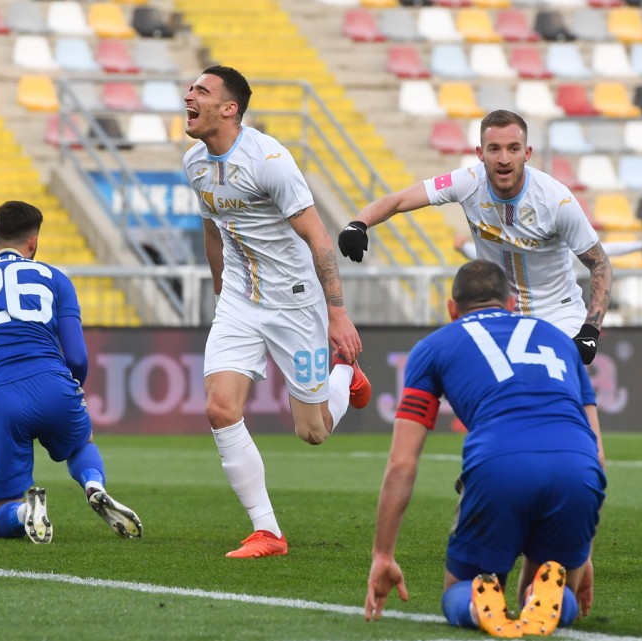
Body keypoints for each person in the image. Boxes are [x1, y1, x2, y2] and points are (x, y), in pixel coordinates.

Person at [183, 65, 371, 558]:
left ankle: (344, 376)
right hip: (240, 300)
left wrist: (337, 314)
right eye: (190, 88)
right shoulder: (194, 162)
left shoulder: (269, 161)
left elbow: (318, 236)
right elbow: (212, 229)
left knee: (313, 432)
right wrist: (221, 290)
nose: (188, 96)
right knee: (219, 408)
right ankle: (267, 531)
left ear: (229, 108)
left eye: (201, 90)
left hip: (294, 301)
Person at [363, 260, 605, 638]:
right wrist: (582, 548)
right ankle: (552, 597)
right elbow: (598, 453)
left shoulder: (432, 348)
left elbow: (402, 463)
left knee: (459, 590)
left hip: (500, 465)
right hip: (577, 467)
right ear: (511, 304)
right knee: (555, 593)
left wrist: (382, 555)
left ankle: (478, 602)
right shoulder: (560, 340)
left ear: (452, 309)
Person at [0, 200, 142, 544]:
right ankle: (93, 485)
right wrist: (70, 389)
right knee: (80, 443)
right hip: (54, 386)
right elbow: (78, 356)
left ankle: (25, 513)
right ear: (34, 242)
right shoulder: (56, 279)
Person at [338, 110, 612, 366]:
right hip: (502, 315)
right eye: (494, 149)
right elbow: (399, 200)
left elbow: (599, 263)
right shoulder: (467, 182)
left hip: (559, 315)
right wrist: (359, 224)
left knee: (557, 392)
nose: (504, 158)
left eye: (513, 148)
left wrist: (590, 330)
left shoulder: (556, 200)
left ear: (527, 153)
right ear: (480, 153)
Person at [455, 235, 642, 263]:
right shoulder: (519, 255)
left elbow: (609, 249)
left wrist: (641, 245)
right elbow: (486, 255)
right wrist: (463, 247)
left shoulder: (567, 254)